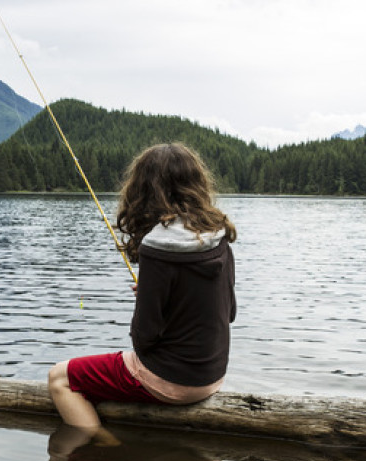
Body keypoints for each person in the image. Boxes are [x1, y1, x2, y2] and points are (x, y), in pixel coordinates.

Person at [47, 142, 237, 435]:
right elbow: (229, 312)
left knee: (59, 378)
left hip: (169, 380)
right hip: (212, 376)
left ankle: (100, 448)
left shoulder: (156, 246)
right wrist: (162, 296)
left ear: (144, 189)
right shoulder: (219, 233)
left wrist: (147, 301)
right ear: (197, 184)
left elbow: (144, 339)